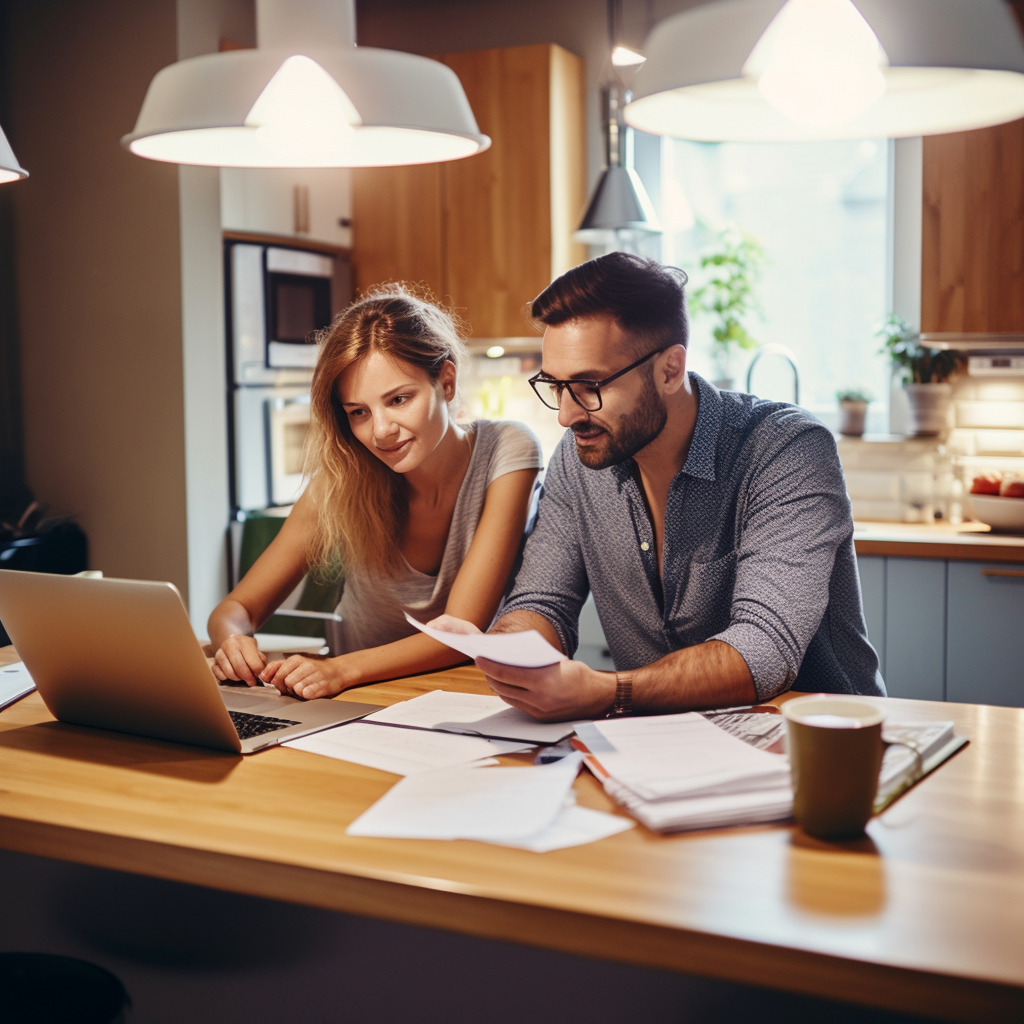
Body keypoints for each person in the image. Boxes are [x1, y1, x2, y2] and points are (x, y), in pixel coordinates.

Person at [432, 252, 885, 721]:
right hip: (660, 746)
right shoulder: (579, 455)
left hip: (822, 745)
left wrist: (609, 691)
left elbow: (764, 649)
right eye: (556, 386)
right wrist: (509, 650)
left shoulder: (786, 448)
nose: (567, 415)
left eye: (589, 385)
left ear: (670, 369)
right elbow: (541, 601)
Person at [208, 288, 542, 699]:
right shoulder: (342, 479)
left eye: (399, 399)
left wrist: (337, 670)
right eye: (358, 413)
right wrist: (232, 641)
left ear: (447, 382)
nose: (380, 431)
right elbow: (235, 610)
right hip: (355, 701)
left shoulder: (508, 449)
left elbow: (462, 630)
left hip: (467, 696)